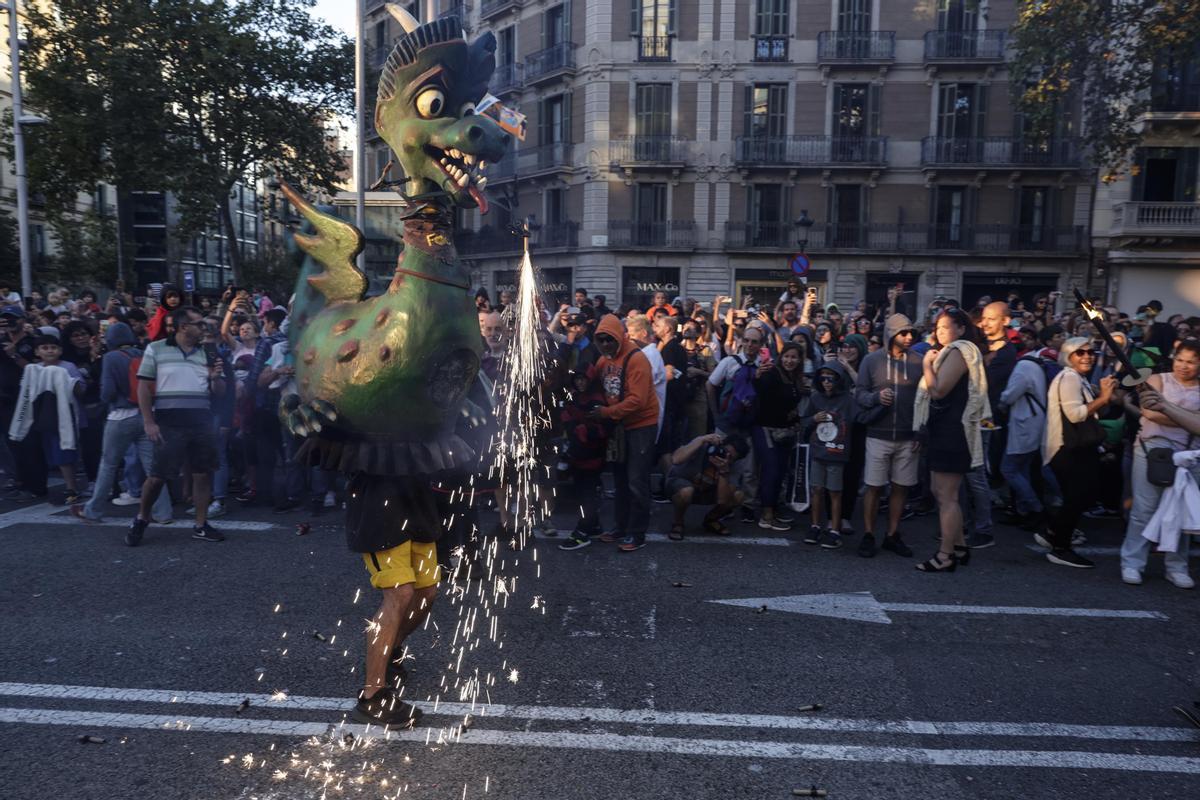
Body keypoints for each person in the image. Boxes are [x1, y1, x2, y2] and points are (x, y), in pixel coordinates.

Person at [126, 306, 227, 546]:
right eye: (199, 324)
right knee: (158, 476)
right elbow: (143, 388)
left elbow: (220, 392)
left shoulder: (209, 352)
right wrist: (149, 422)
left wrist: (215, 378)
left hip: (201, 419)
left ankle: (201, 525)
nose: (205, 328)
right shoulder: (157, 349)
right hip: (169, 421)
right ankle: (142, 518)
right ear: (183, 327)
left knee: (202, 475)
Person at [1119, 341, 1200, 588]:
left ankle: (1177, 566)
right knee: (1144, 509)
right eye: (1180, 359)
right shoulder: (1156, 380)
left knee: (1183, 511)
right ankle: (1132, 562)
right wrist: (1189, 418)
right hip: (1152, 449)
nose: (1183, 366)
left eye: (1191, 362)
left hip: (1191, 454)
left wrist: (1168, 409)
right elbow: (1150, 412)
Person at [914, 309, 990, 572]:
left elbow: (939, 391)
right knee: (941, 491)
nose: (940, 332)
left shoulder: (959, 351)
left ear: (961, 328)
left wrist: (926, 365)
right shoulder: (953, 351)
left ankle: (946, 555)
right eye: (937, 327)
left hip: (952, 431)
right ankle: (958, 546)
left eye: (946, 327)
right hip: (945, 429)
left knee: (947, 496)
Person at [1041, 338, 1118, 569]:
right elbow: (1075, 415)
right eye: (1079, 352)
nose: (1087, 356)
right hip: (1067, 448)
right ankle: (1060, 547)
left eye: (1090, 352)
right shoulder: (1069, 378)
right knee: (1079, 497)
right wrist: (1103, 398)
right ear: (1068, 356)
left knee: (1080, 496)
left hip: (1076, 448)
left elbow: (1094, 412)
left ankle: (1053, 532)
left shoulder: (1078, 378)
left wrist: (1103, 395)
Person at [853, 314, 922, 559]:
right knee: (873, 486)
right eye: (903, 333)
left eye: (911, 333)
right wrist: (875, 398)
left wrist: (920, 432)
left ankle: (893, 534)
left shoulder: (919, 361)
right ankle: (869, 534)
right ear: (891, 334)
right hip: (878, 434)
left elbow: (925, 400)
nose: (909, 337)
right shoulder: (871, 361)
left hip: (908, 436)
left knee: (900, 488)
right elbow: (859, 394)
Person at [590, 314, 659, 552]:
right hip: (619, 426)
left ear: (619, 336)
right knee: (620, 479)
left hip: (641, 425)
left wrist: (605, 413)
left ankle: (637, 533)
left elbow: (637, 401)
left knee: (636, 480)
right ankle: (620, 526)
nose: (606, 344)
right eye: (601, 340)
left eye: (609, 339)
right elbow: (593, 380)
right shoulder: (603, 360)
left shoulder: (636, 359)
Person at [8, 333, 86, 504]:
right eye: (45, 348)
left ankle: (71, 488)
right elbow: (27, 392)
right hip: (42, 417)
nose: (49, 351)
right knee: (50, 452)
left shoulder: (68, 367)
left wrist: (68, 383)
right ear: (37, 352)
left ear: (60, 350)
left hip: (64, 416)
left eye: (53, 347)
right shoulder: (34, 369)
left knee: (65, 453)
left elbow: (80, 389)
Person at [799, 360, 856, 548]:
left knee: (835, 492)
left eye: (831, 378)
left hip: (837, 453)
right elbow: (805, 421)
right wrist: (813, 418)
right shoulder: (816, 398)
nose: (827, 382)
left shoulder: (848, 399)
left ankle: (834, 530)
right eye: (823, 378)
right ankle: (815, 526)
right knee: (816, 489)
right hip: (818, 451)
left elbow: (860, 417)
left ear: (839, 380)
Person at [750, 341, 804, 531]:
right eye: (787, 356)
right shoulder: (772, 373)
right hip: (765, 428)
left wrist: (794, 418)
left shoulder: (795, 377)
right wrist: (757, 376)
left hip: (785, 431)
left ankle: (774, 509)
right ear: (781, 357)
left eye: (794, 357)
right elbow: (760, 390)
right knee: (771, 471)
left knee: (780, 471)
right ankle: (766, 515)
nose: (790, 360)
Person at [998, 343, 1050, 530]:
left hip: (1025, 423)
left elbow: (1010, 395)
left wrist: (1001, 403)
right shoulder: (1036, 365)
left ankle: (1035, 508)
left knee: (1009, 469)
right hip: (1033, 421)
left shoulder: (1024, 366)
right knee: (1024, 469)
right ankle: (1023, 511)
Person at [557, 370, 608, 550]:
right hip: (578, 454)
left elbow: (601, 430)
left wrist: (580, 429)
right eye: (577, 379)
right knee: (582, 491)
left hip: (592, 455)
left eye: (583, 379)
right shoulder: (578, 397)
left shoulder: (596, 400)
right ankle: (593, 525)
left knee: (587, 493)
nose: (580, 383)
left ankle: (583, 531)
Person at [663, 432, 748, 539]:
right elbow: (676, 459)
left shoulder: (736, 465)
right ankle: (678, 523)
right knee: (686, 491)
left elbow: (723, 501)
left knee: (738, 496)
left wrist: (723, 472)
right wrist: (701, 439)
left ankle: (711, 520)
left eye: (731, 457)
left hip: (707, 491)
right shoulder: (703, 446)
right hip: (680, 485)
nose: (726, 457)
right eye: (725, 452)